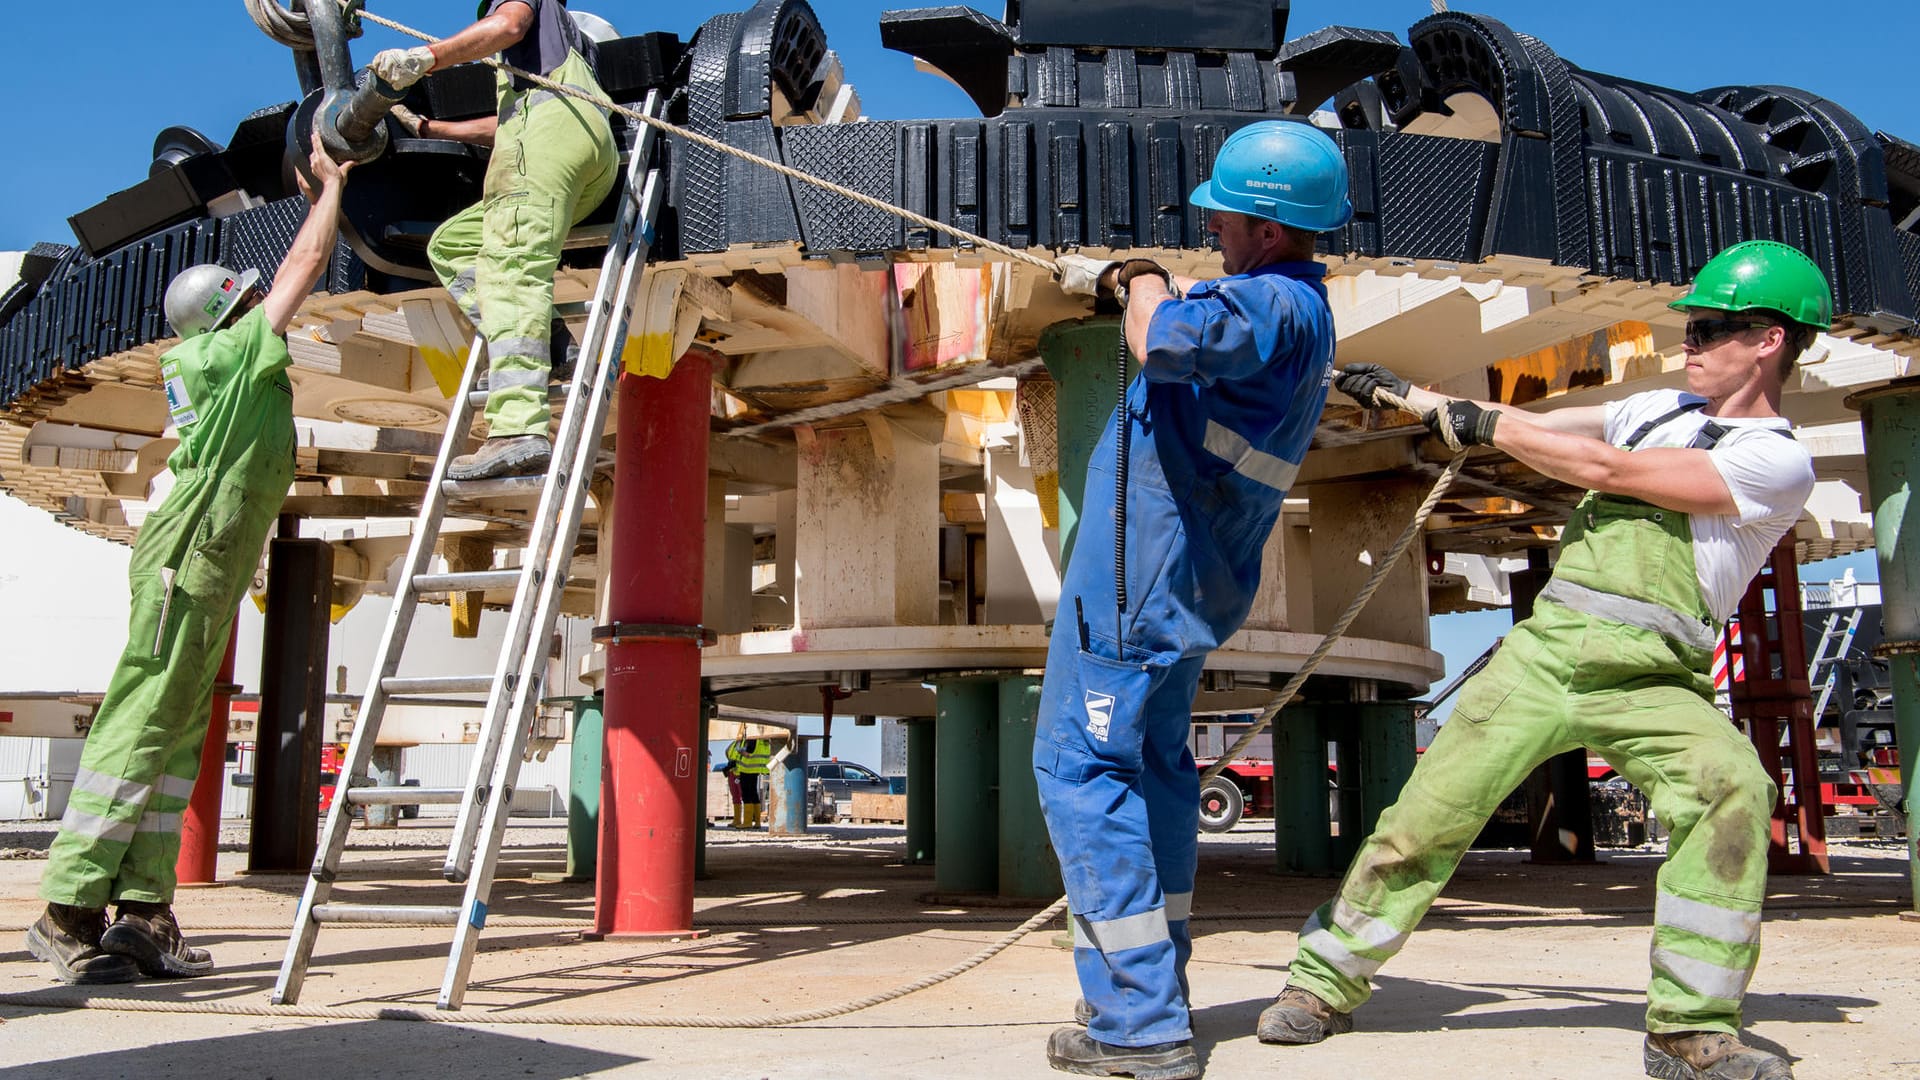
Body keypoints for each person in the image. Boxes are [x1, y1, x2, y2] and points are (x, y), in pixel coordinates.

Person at [1261, 240, 1831, 1080]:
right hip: (1546, 652)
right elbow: (1549, 431)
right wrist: (1410, 397)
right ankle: (1320, 986)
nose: (1689, 342)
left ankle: (1690, 1028)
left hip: (1654, 675)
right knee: (1425, 819)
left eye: (1709, 329)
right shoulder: (1653, 407)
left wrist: (1487, 423)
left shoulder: (1777, 459)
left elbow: (1609, 469)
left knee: (1733, 791)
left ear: (1768, 340)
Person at [1036, 120, 1352, 1080]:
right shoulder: (1292, 306)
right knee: (1159, 771)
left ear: (1261, 224)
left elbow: (1163, 340)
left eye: (1221, 218)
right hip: (1184, 577)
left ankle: (1138, 1024)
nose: (1212, 231)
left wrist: (1139, 277)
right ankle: (1152, 985)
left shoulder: (1271, 305)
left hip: (1144, 573)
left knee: (1084, 770)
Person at [27, 138, 355, 984]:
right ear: (225, 316)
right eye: (243, 303)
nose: (259, 310)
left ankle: (142, 914)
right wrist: (332, 185)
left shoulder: (227, 366)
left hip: (207, 560)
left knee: (174, 734)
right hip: (189, 557)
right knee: (141, 721)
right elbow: (305, 263)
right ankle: (65, 911)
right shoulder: (224, 355)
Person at [373, 0, 618, 480]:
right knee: (453, 244)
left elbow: (508, 24)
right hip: (587, 154)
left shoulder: (526, 16)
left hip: (544, 146)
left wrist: (425, 57)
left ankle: (516, 429)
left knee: (511, 268)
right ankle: (552, 343)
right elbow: (506, 122)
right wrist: (431, 128)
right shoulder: (563, 54)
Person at [726, 736, 773, 828]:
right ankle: (757, 822)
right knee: (753, 794)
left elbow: (748, 753)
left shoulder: (752, 739)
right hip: (755, 768)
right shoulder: (763, 740)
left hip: (747, 768)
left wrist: (740, 751)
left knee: (747, 795)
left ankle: (747, 822)